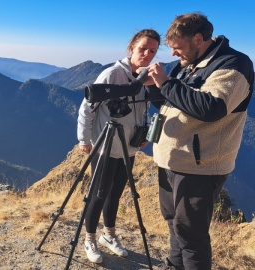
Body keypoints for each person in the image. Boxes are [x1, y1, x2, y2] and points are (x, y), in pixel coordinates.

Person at [145, 13, 253, 270]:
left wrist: (166, 82)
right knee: (174, 223)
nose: (173, 54)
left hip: (200, 166)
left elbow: (212, 107)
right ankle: (174, 265)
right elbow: (174, 103)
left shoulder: (234, 64)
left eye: (177, 47)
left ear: (198, 38)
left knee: (191, 235)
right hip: (171, 160)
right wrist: (154, 87)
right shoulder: (190, 62)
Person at [77, 29, 160, 263]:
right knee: (99, 193)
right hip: (105, 146)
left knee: (116, 193)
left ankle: (109, 235)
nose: (146, 54)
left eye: (152, 51)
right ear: (131, 48)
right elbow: (87, 106)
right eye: (143, 48)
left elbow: (142, 108)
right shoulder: (112, 74)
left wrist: (143, 133)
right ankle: (90, 239)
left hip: (128, 147)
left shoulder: (143, 78)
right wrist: (84, 139)